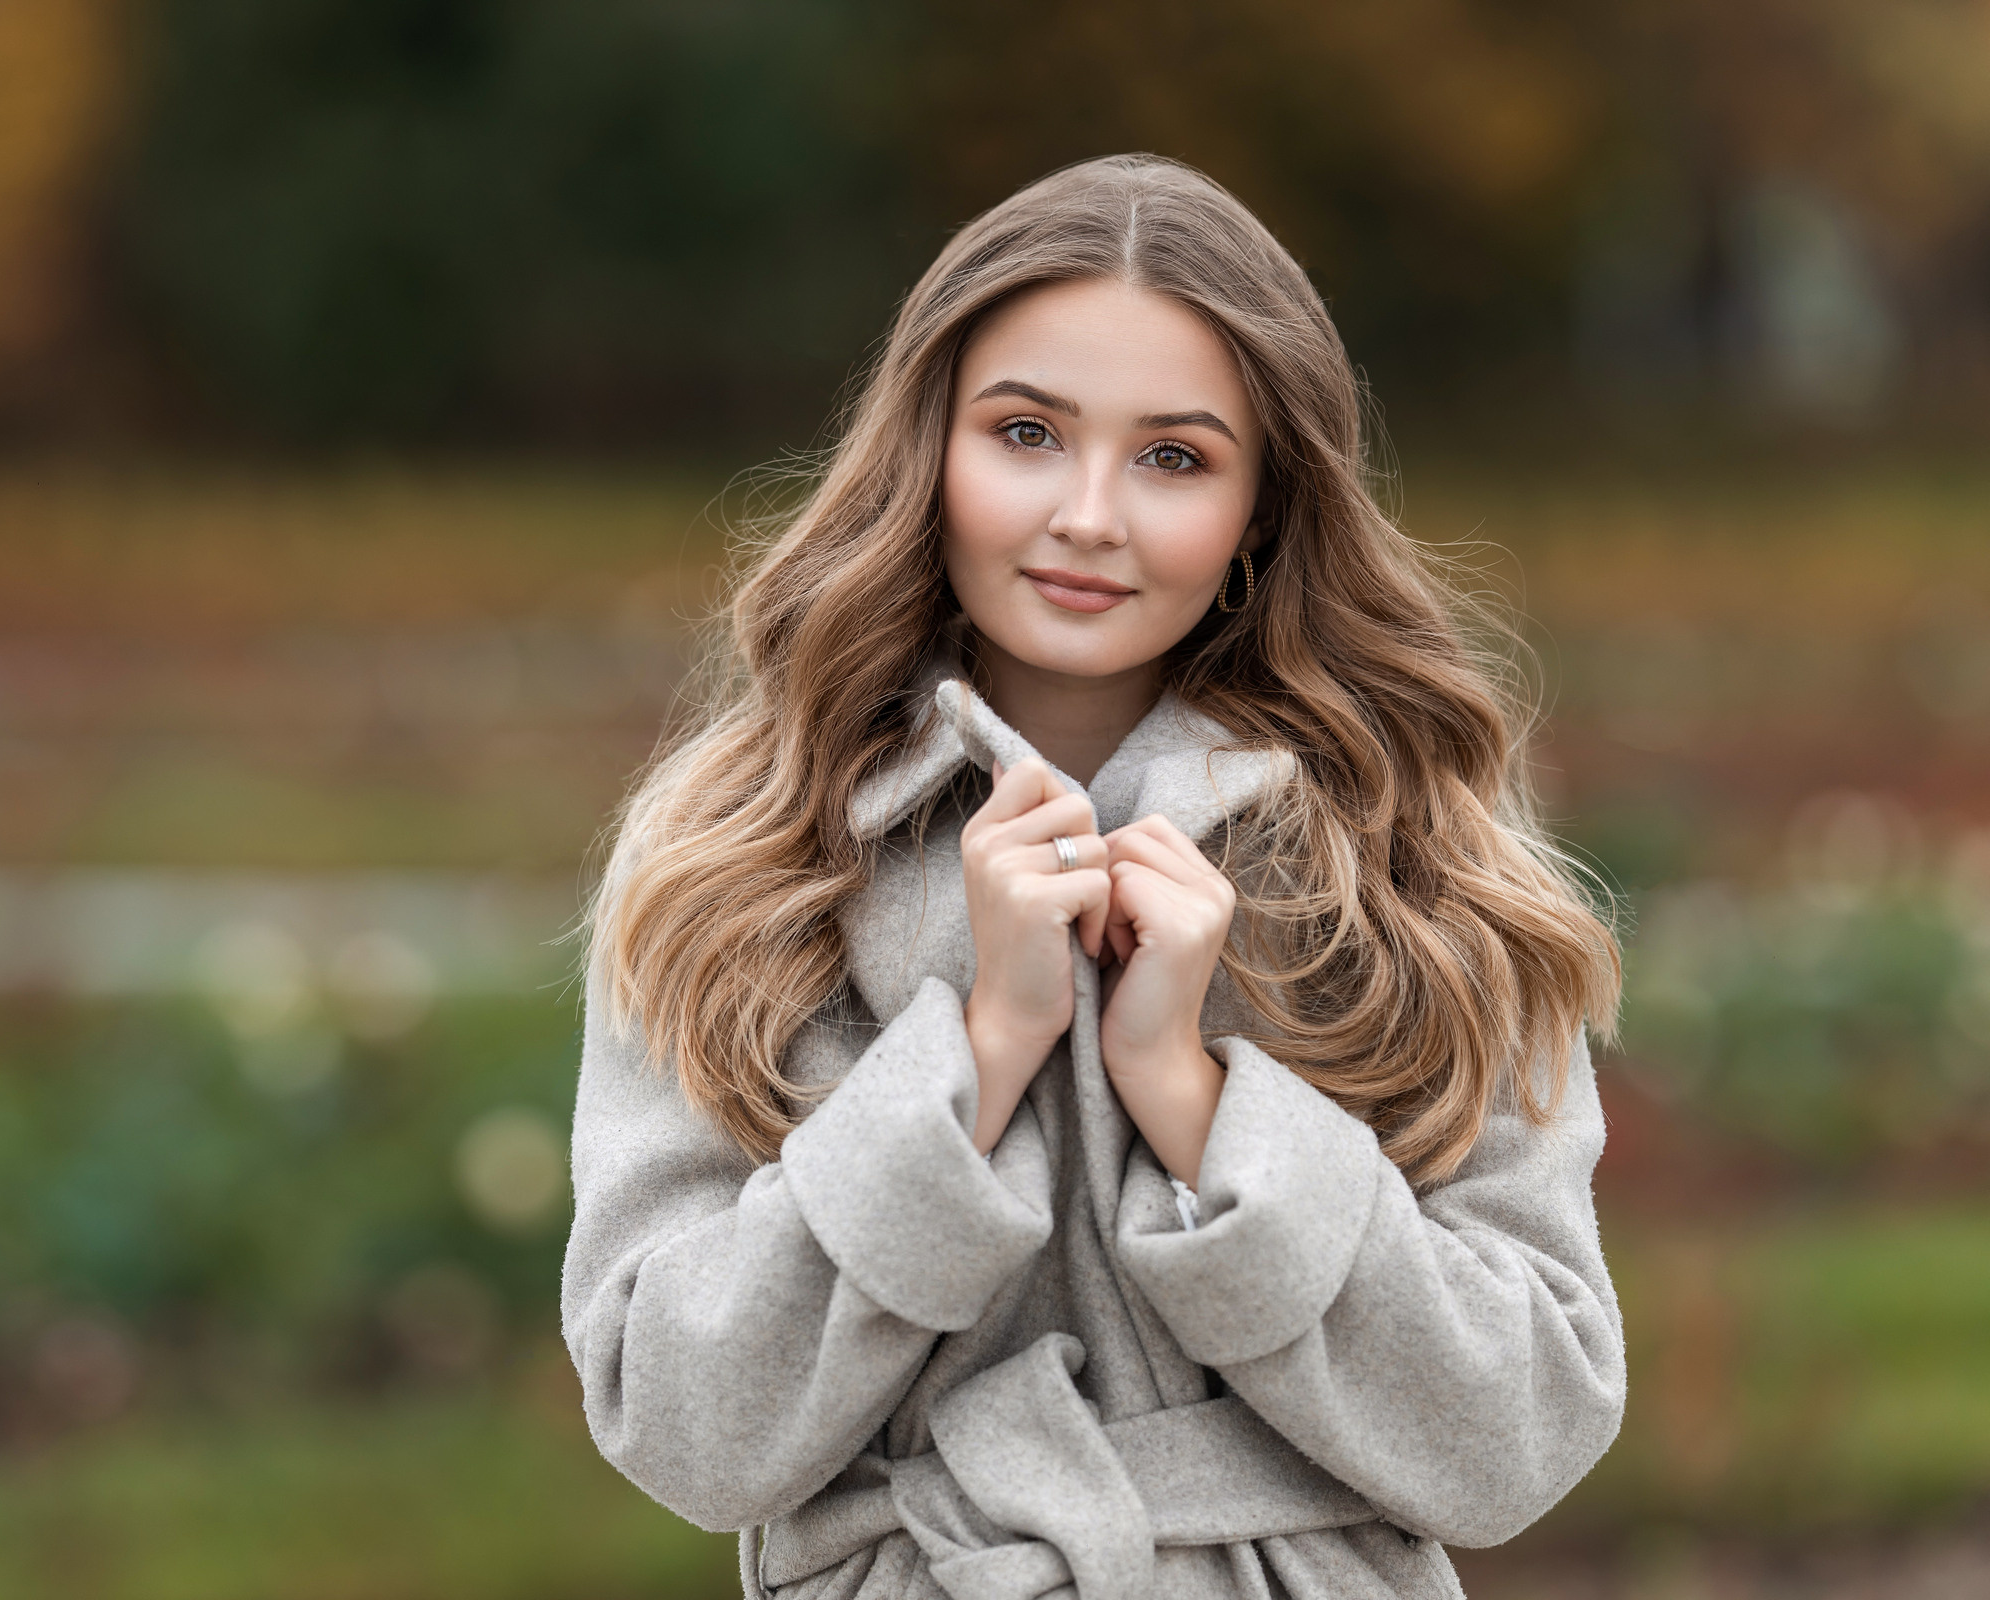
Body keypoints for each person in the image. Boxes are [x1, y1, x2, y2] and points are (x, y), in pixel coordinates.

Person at [562, 154, 1626, 1600]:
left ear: (1264, 507)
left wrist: (1192, 1101)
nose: (1088, 514)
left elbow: (1520, 1437)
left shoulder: (1417, 848)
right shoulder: (739, 847)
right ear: (929, 448)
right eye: (1026, 433)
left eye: (1173, 458)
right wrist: (980, 1052)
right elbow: (682, 1427)